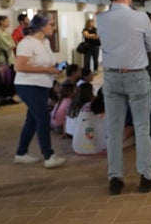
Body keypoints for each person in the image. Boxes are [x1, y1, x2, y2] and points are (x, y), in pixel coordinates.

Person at [97, 0, 151, 195]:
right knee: (142, 127)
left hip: (111, 77)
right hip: (136, 75)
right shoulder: (140, 17)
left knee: (113, 131)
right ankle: (145, 176)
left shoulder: (101, 19)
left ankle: (115, 179)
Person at [13, 14, 66, 168]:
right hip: (28, 86)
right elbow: (19, 67)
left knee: (32, 119)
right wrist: (46, 69)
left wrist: (55, 70)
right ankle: (48, 155)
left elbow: (47, 63)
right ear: (42, 26)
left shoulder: (45, 42)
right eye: (51, 24)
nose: (54, 28)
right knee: (43, 117)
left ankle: (21, 153)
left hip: (43, 85)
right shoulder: (27, 43)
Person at [72, 88, 107, 155]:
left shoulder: (86, 104)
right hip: (96, 148)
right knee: (129, 131)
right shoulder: (109, 107)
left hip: (77, 147)